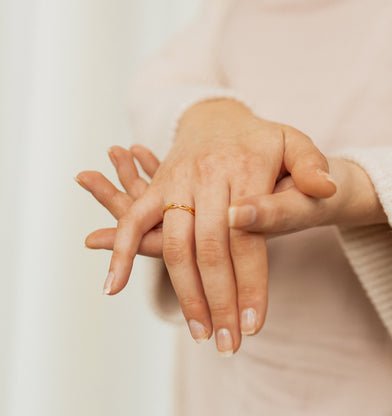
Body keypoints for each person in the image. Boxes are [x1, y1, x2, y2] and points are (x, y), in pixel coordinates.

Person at [76, 0, 392, 413]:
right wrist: (210, 116)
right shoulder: (229, 12)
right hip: (235, 384)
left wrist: (359, 186)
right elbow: (160, 82)